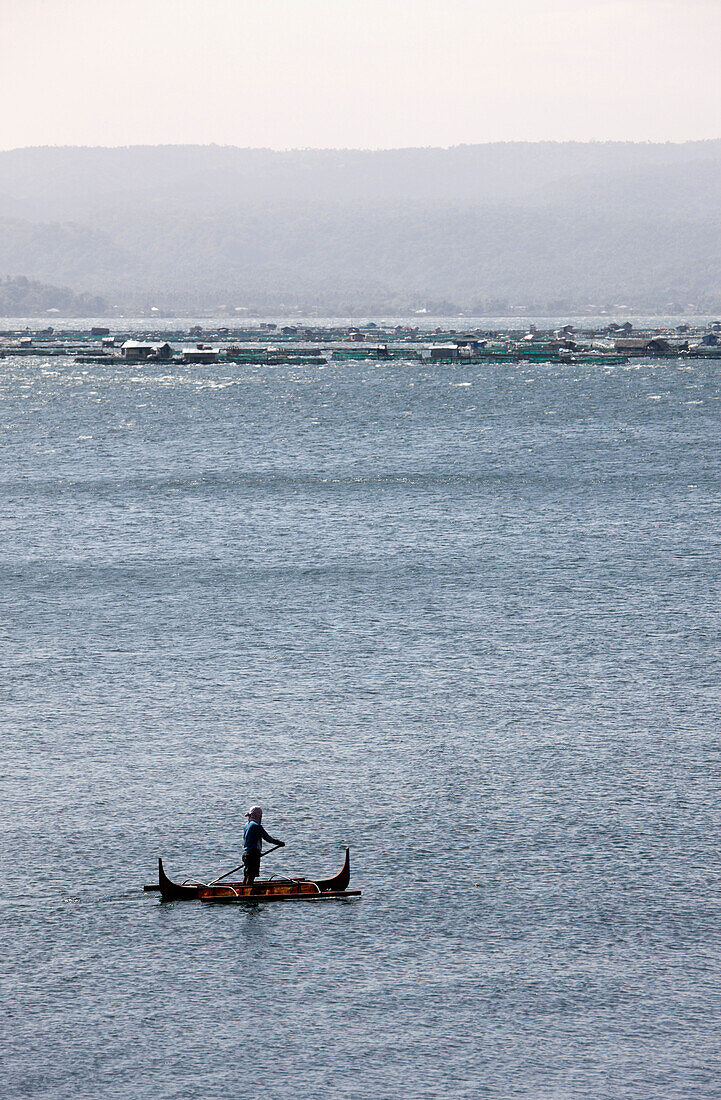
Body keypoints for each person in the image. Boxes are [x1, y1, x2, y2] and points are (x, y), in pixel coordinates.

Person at [242, 805, 284, 885]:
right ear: (258, 816)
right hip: (253, 854)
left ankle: (243, 890)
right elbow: (268, 838)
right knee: (251, 876)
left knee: (247, 874)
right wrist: (279, 843)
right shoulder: (256, 826)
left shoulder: (246, 825)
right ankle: (247, 894)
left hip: (246, 854)